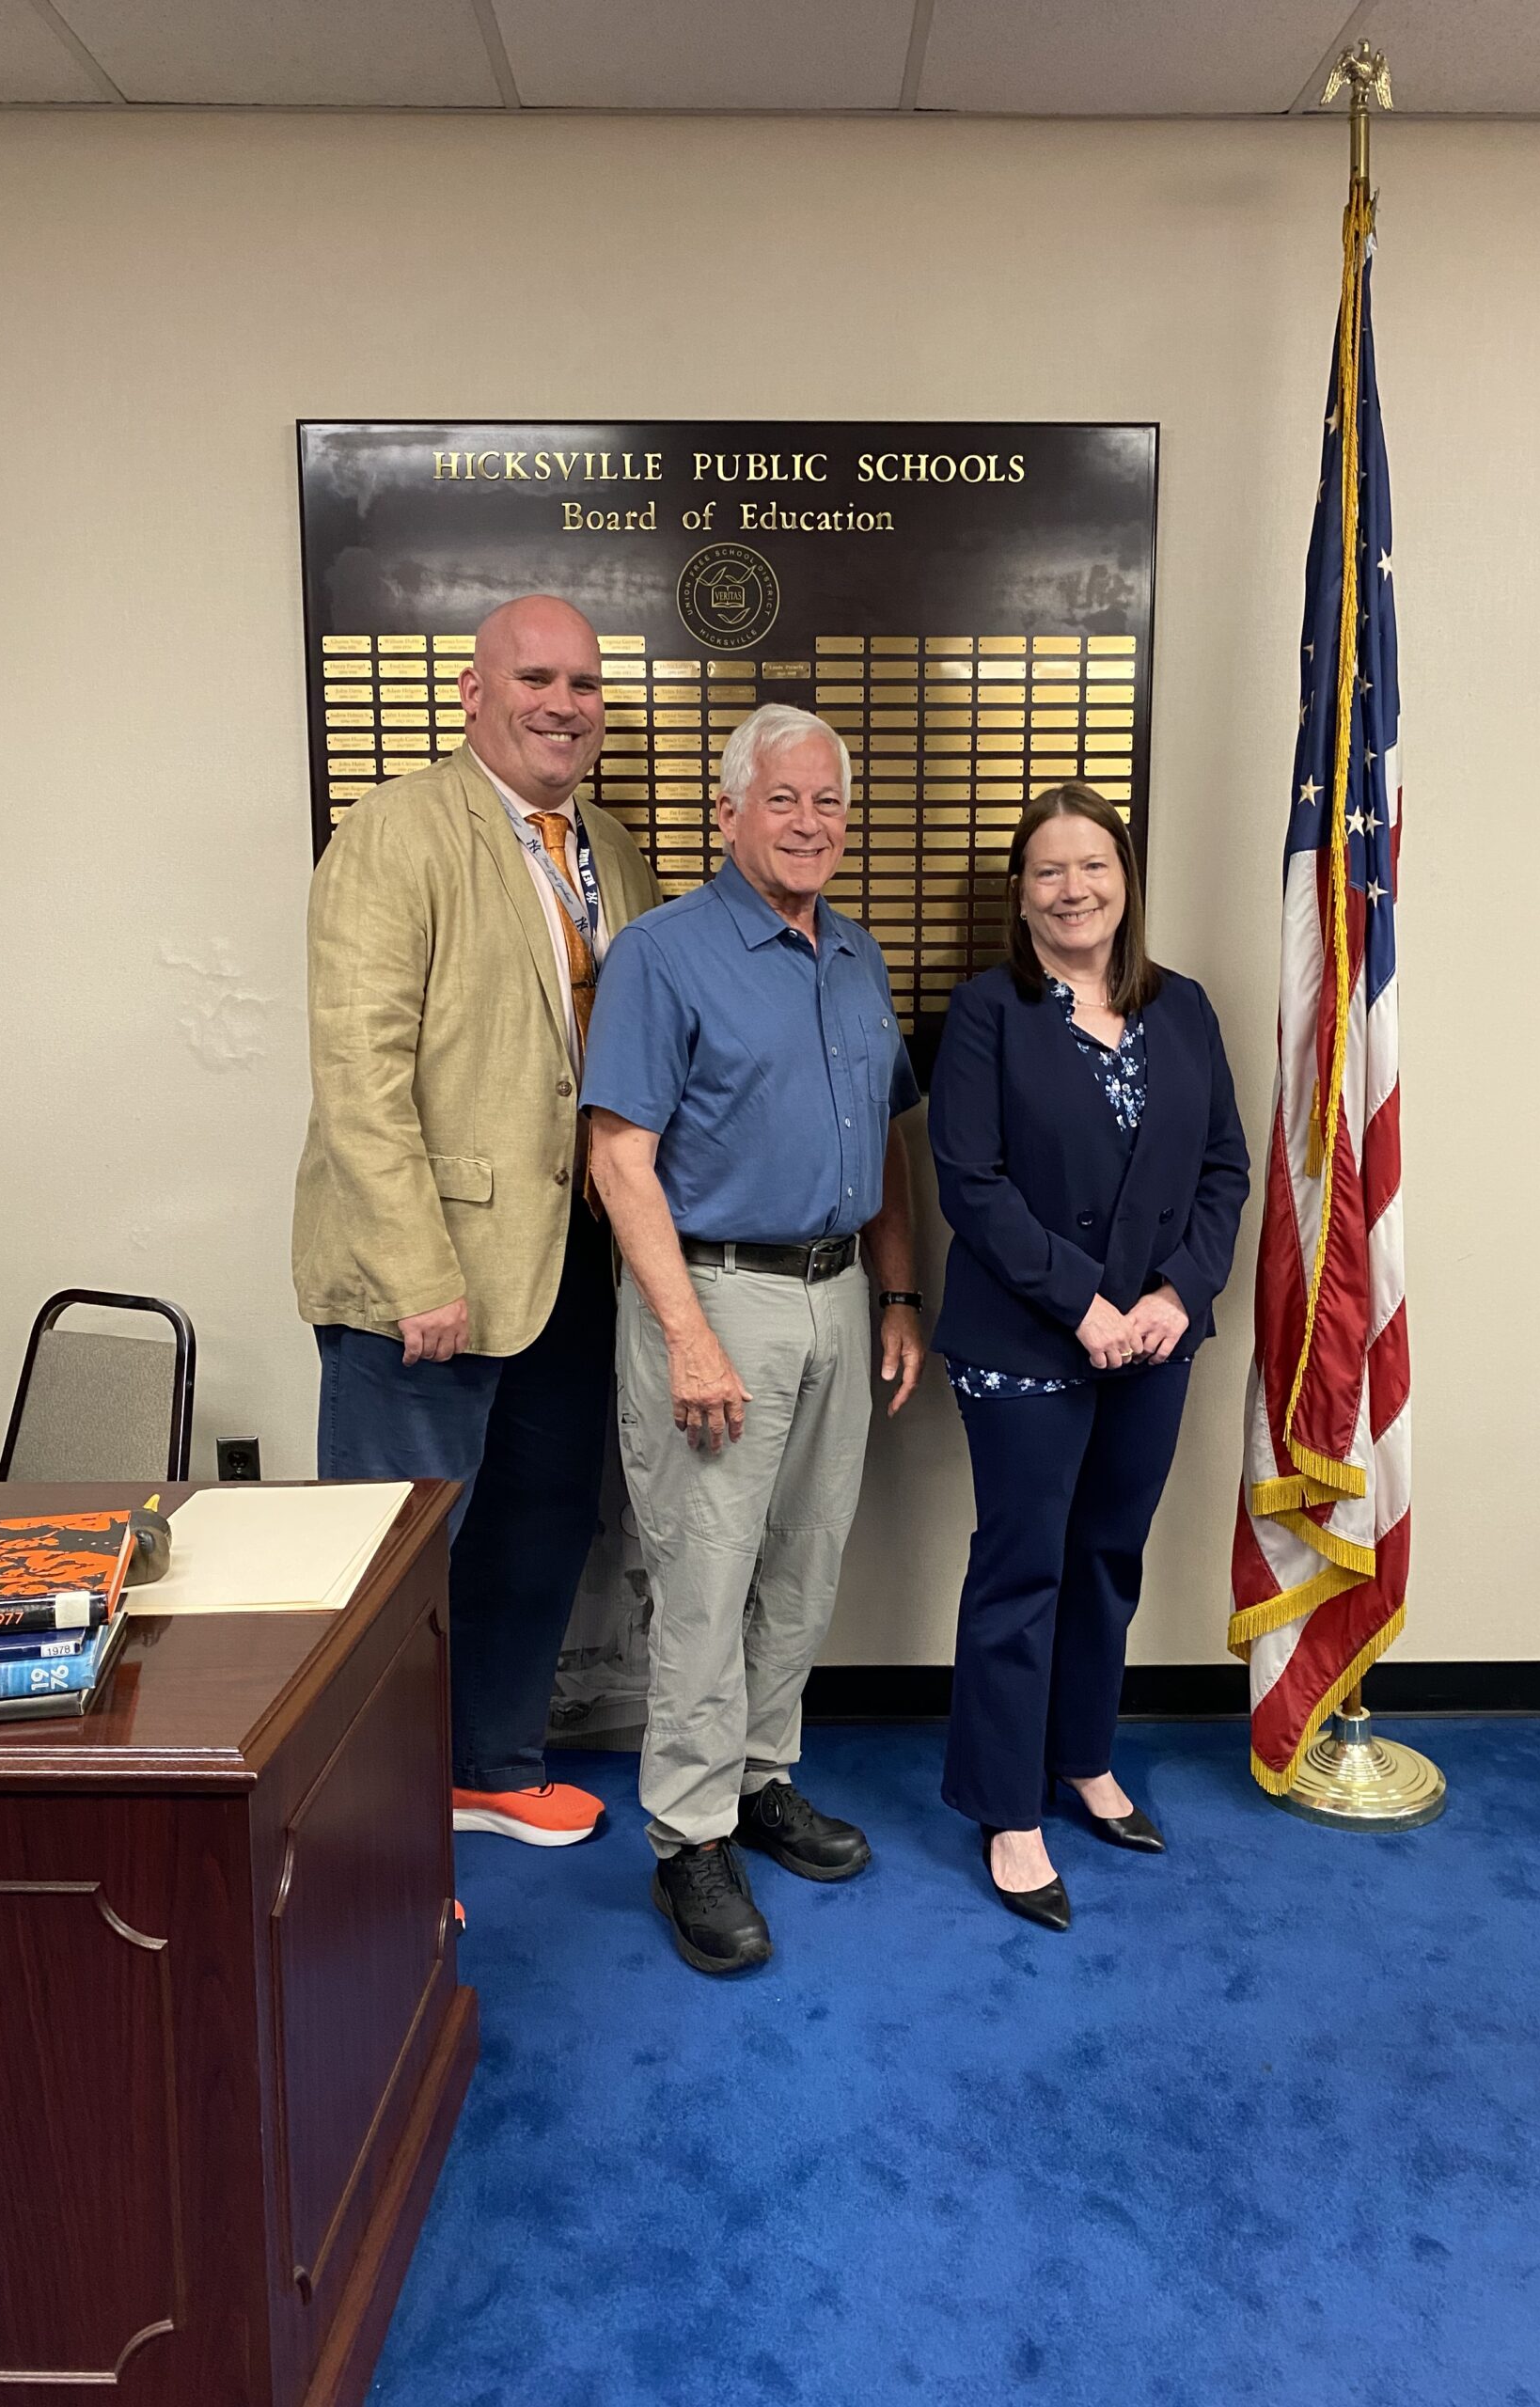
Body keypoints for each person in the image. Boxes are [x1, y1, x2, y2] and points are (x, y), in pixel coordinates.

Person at [292, 594, 660, 1849]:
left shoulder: (613, 848)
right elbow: (359, 1073)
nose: (564, 704)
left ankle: (490, 1765)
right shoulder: (396, 831)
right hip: (429, 1280)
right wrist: (415, 1271)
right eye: (535, 678)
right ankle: (365, 1825)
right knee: (396, 1563)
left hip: (569, 1264)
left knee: (541, 1523)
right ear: (472, 691)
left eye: (584, 684)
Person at [583, 703, 926, 1976]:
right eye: (782, 799)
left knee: (804, 1562)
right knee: (706, 1575)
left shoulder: (858, 955)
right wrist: (686, 1334)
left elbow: (885, 1142)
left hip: (839, 1291)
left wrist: (899, 1296)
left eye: (828, 801)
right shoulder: (664, 954)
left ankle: (760, 1778)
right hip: (716, 1295)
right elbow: (618, 1159)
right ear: (727, 813)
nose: (809, 822)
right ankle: (689, 1836)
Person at [927, 782, 1249, 1929]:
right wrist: (1084, 1303)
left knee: (1109, 1556)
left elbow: (1224, 1169)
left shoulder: (1186, 1008)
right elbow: (971, 1184)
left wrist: (1177, 1291)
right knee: (1023, 1570)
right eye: (1049, 871)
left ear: (1126, 881)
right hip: (1027, 1336)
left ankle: (1083, 1758)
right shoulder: (985, 1013)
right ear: (1021, 896)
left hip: (1155, 1336)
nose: (1074, 889)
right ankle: (1007, 1808)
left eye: (1094, 866)